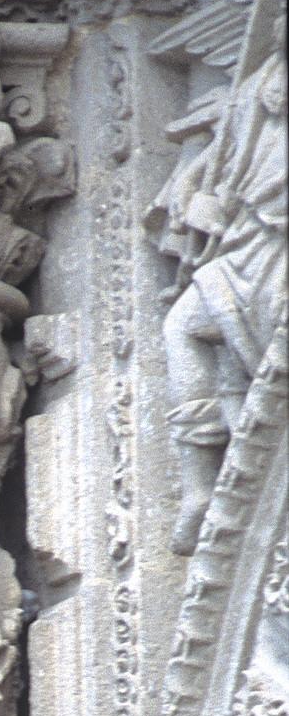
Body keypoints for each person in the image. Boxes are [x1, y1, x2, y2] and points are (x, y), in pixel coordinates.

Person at [153, 51, 288, 552]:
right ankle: (203, 483)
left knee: (210, 339)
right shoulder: (258, 91)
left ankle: (233, 466)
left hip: (274, 253)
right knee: (184, 327)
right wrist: (198, 202)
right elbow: (214, 167)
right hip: (245, 247)